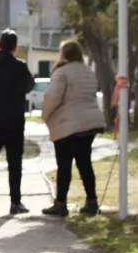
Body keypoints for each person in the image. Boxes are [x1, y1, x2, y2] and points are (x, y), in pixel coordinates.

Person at [40, 41, 106, 217]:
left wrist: (45, 115)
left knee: (64, 165)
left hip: (68, 123)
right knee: (84, 163)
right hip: (89, 123)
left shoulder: (61, 73)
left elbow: (53, 97)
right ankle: (92, 201)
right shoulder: (89, 72)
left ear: (64, 54)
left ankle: (61, 203)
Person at [0, 30, 35, 215]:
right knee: (14, 164)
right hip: (13, 121)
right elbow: (29, 86)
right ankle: (15, 202)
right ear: (15, 47)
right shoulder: (20, 66)